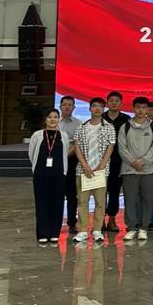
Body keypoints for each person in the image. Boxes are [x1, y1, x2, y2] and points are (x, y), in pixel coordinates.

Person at [72, 98, 116, 243]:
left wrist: (102, 164)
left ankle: (97, 229)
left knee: (100, 202)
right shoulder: (82, 127)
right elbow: (77, 146)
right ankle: (83, 230)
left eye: (100, 106)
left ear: (103, 109)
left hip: (101, 171)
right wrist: (84, 165)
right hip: (83, 170)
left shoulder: (109, 127)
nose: (97, 109)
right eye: (94, 106)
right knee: (82, 201)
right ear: (90, 108)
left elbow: (111, 146)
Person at [118, 96, 153, 241]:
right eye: (138, 107)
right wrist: (133, 162)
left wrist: (143, 161)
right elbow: (122, 148)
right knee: (130, 199)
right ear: (133, 108)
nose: (141, 110)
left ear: (148, 109)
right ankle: (131, 228)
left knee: (148, 199)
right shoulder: (125, 127)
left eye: (144, 107)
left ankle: (144, 228)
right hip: (129, 169)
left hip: (149, 170)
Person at [28, 109, 70, 243]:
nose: (52, 120)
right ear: (45, 120)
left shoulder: (63, 135)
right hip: (41, 174)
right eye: (50, 117)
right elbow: (31, 154)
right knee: (42, 203)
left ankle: (54, 233)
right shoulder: (37, 135)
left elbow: (65, 153)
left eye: (55, 117)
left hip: (59, 175)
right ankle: (42, 233)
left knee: (57, 203)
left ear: (59, 119)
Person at [102, 91, 129, 233]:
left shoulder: (126, 119)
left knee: (114, 191)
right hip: (100, 162)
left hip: (118, 161)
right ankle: (100, 220)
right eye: (111, 100)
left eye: (116, 100)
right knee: (100, 191)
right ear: (107, 103)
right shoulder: (100, 118)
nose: (114, 103)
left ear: (121, 103)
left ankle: (112, 220)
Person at [58, 96, 82, 234]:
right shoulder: (54, 122)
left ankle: (72, 223)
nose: (67, 107)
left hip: (72, 161)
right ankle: (55, 222)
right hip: (56, 162)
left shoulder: (79, 124)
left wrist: (67, 155)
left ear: (74, 107)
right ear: (60, 106)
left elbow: (77, 143)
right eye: (64, 104)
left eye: (70, 105)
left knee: (72, 194)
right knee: (57, 194)